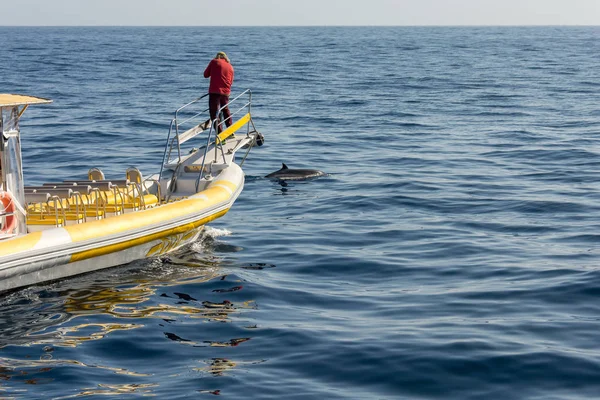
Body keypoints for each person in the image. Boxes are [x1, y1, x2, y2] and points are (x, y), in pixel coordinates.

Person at [203, 51, 234, 134]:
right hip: (226, 93)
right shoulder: (230, 66)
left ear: (217, 57)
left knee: (214, 113)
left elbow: (205, 74)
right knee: (225, 110)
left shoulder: (214, 62)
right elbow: (231, 82)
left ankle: (220, 134)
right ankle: (231, 131)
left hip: (215, 92)